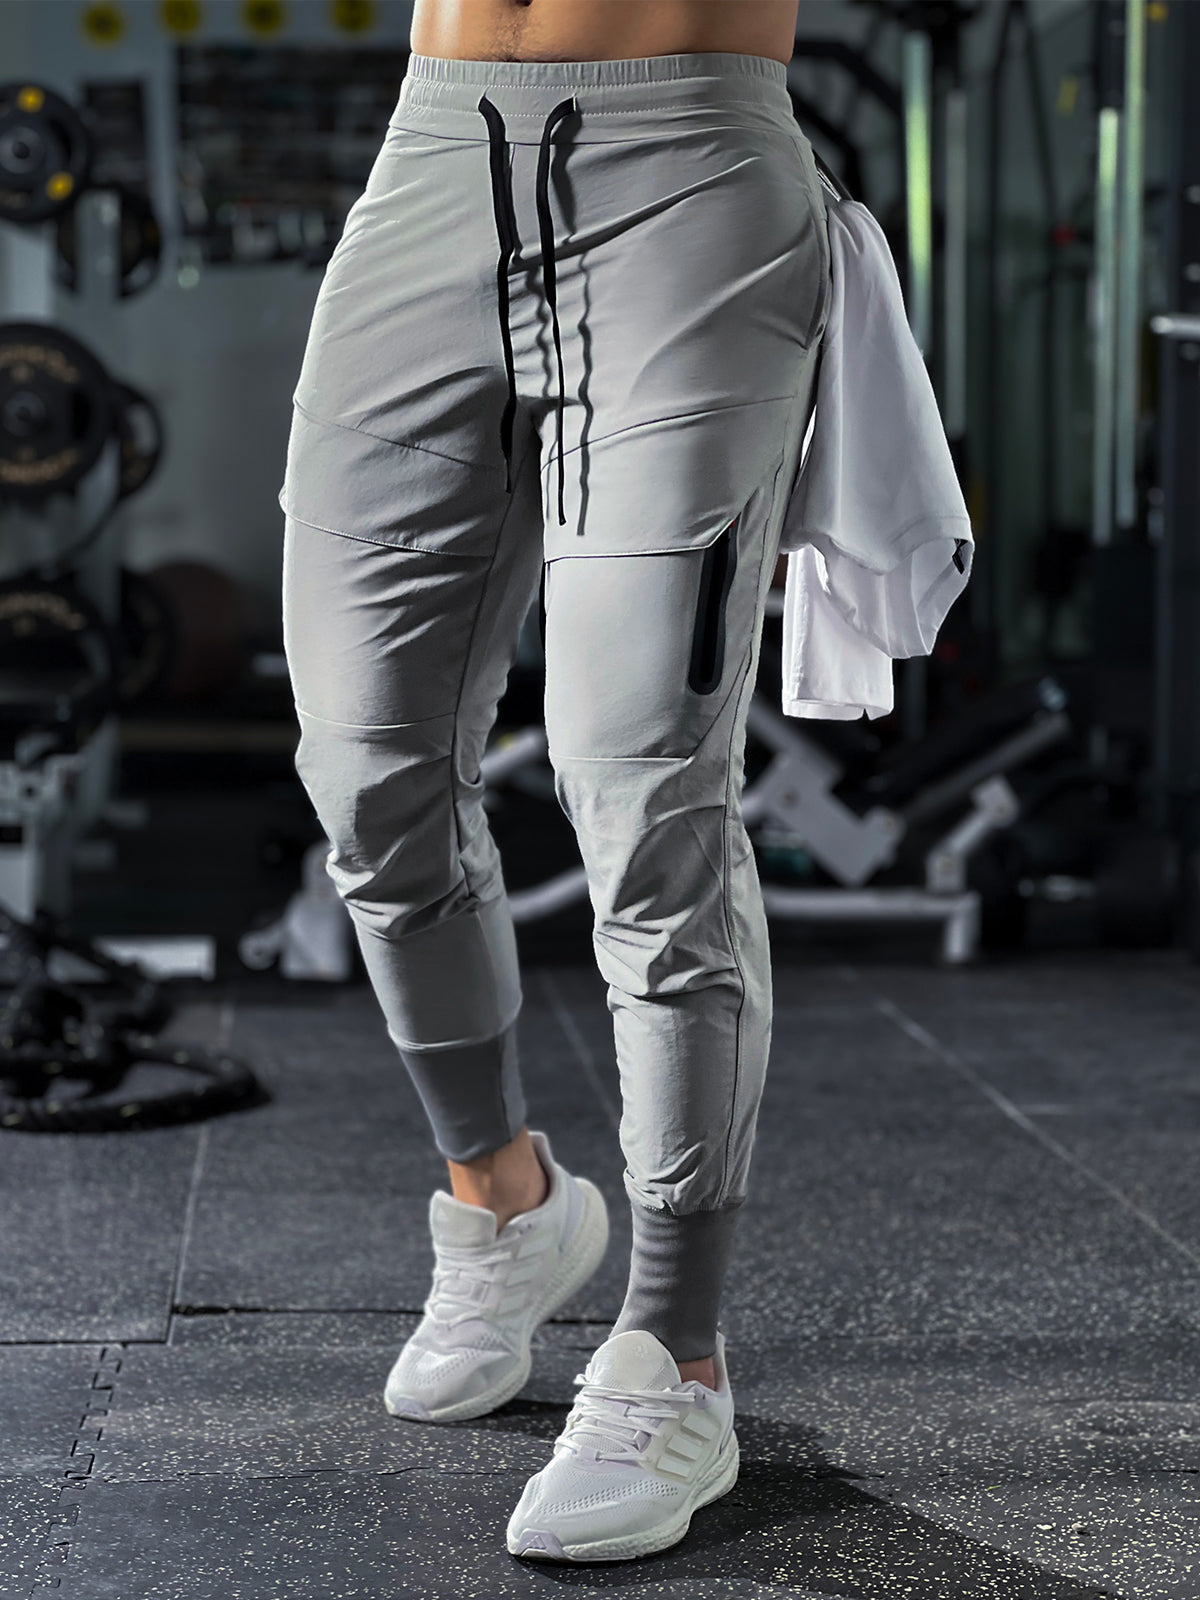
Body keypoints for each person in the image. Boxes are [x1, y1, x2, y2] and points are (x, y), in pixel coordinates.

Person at [280, 0, 827, 1563]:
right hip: (435, 150)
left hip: (690, 167)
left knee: (642, 782)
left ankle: (674, 1354)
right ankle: (507, 1202)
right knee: (366, 767)